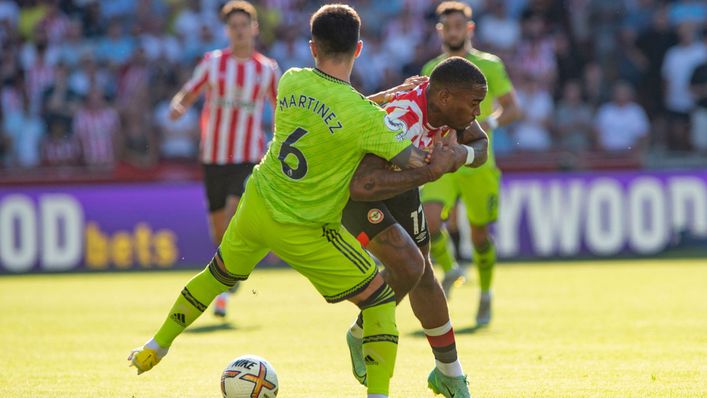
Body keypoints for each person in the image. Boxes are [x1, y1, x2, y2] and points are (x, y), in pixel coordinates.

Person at [128, 5, 471, 397]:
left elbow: (330, 112)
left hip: (257, 206)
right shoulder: (365, 119)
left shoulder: (291, 80)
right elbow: (413, 157)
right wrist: (450, 154)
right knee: (379, 301)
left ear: (312, 48)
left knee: (216, 275)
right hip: (306, 227)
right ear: (358, 50)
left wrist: (381, 98)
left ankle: (156, 345)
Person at [343, 56, 488, 398]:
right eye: (474, 104)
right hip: (356, 194)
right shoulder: (401, 119)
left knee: (421, 274)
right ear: (444, 99)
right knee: (409, 264)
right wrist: (429, 172)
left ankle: (449, 374)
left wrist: (457, 156)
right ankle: (360, 334)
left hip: (401, 183)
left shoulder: (448, 103)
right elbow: (361, 185)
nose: (477, 112)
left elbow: (480, 146)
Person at [168, 1, 281, 318]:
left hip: (247, 156)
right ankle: (228, 282)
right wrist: (178, 107)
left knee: (233, 213)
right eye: (234, 26)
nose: (240, 30)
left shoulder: (267, 69)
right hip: (213, 155)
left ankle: (225, 286)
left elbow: (281, 108)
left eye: (244, 25)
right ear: (227, 30)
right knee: (219, 231)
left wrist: (280, 142)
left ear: (254, 28)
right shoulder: (213, 63)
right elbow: (188, 93)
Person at [421, 1, 522, 326]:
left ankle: (486, 295)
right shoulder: (431, 69)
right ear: (440, 31)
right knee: (430, 222)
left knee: (479, 235)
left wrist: (487, 125)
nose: (453, 31)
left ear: (469, 29)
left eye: (458, 26)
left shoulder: (489, 66)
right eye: (447, 27)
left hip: (479, 159)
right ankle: (451, 269)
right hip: (443, 158)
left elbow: (512, 108)